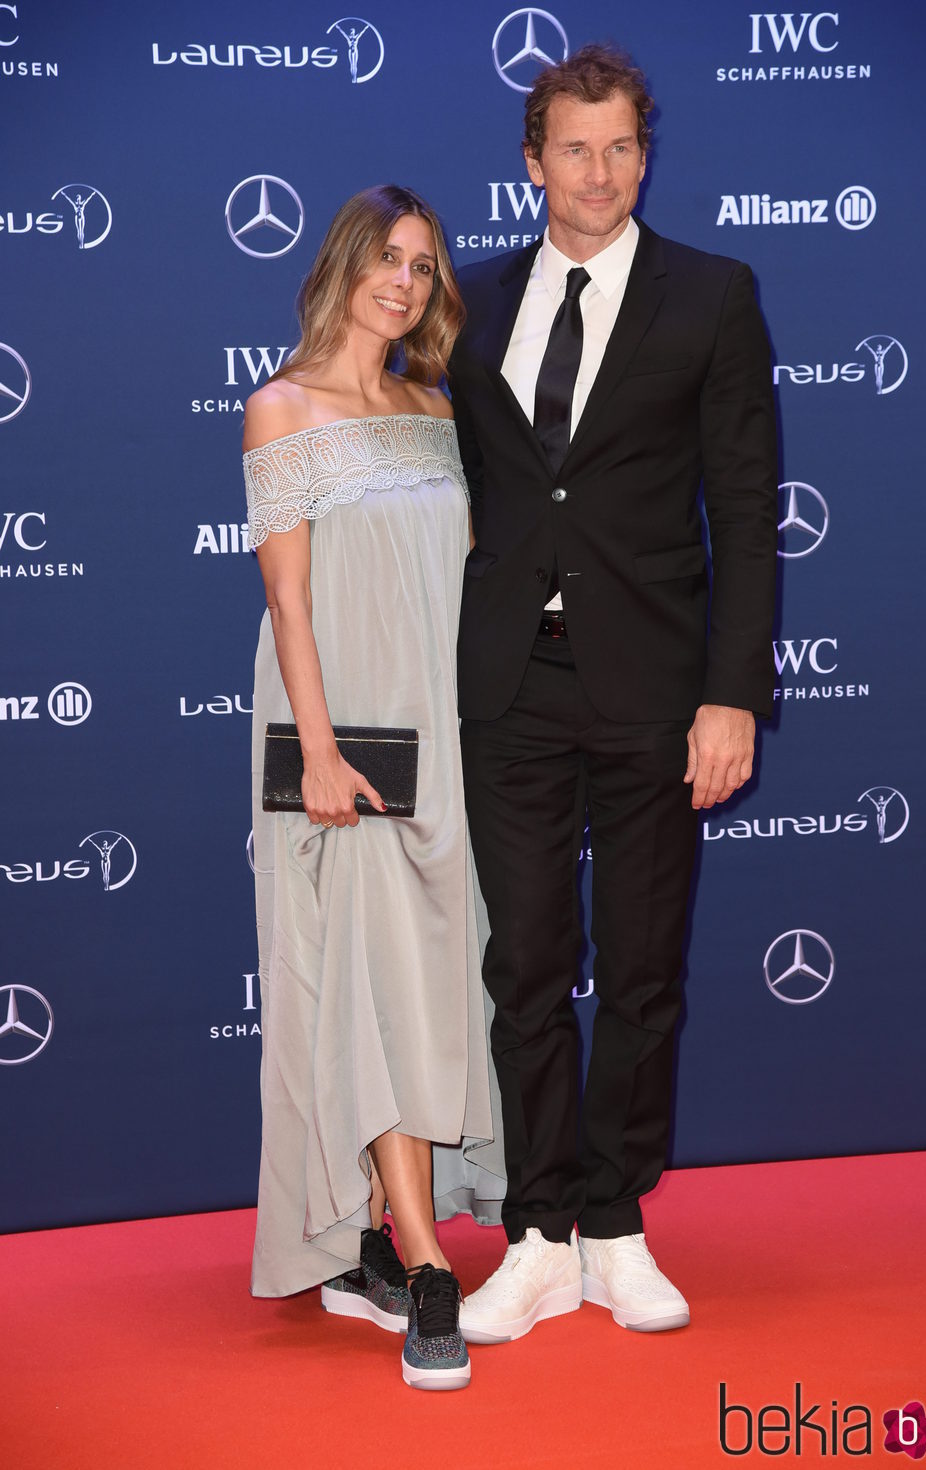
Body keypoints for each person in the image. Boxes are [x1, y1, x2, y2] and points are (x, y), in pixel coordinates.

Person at [449, 45, 778, 1342]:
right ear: (533, 161)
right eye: (574, 148)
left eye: (622, 147)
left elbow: (747, 512)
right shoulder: (467, 305)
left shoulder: (713, 294)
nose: (599, 171)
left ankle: (616, 1221)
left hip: (656, 686)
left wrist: (732, 694)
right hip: (510, 683)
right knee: (525, 961)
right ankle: (535, 1231)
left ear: (647, 154)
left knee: (642, 968)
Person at [242, 184, 496, 1391]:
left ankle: (370, 1239)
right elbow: (288, 600)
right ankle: (426, 1263)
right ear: (344, 265)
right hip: (343, 742)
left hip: (442, 743)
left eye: (423, 265)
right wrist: (322, 749)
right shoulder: (280, 409)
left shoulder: (436, 412)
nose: (404, 281)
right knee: (369, 986)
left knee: (428, 978)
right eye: (386, 258)